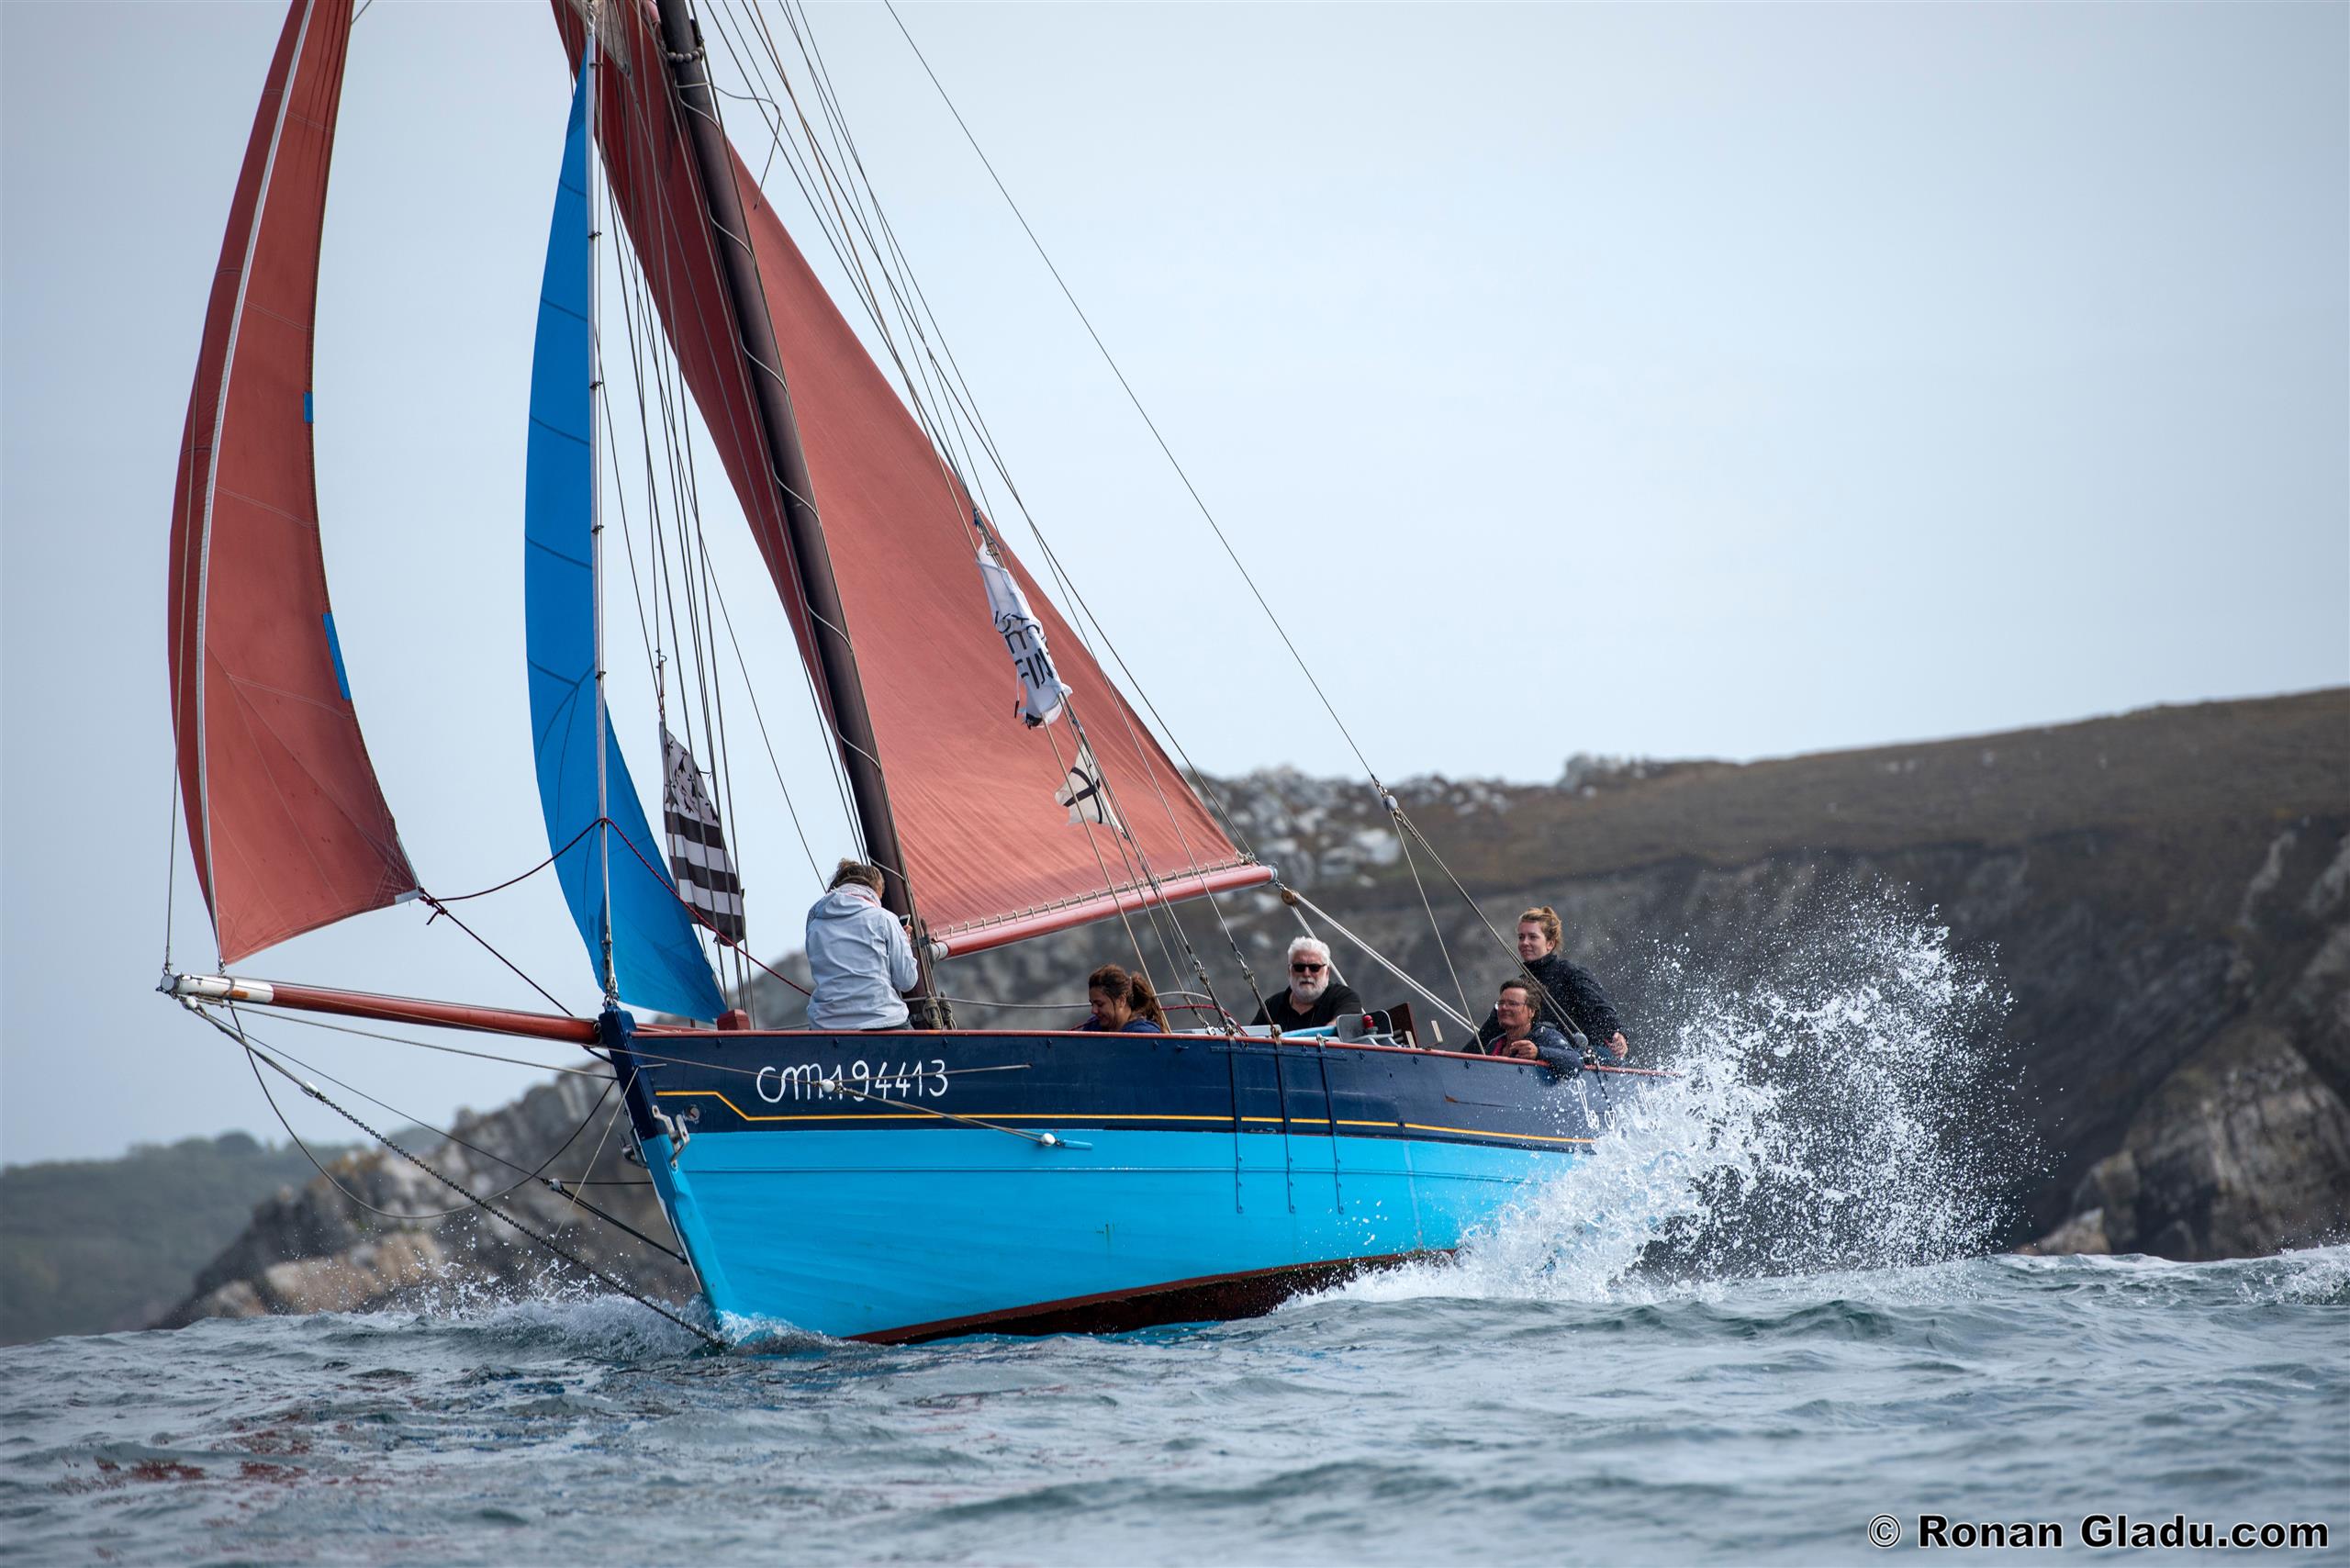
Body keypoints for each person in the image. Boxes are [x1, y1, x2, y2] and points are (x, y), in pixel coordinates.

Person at [1474, 905, 1629, 1060]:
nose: (1524, 943)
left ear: (1550, 944)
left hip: (1583, 1058)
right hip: (1542, 1060)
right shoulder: (1519, 988)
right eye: (1521, 937)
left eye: (1532, 937)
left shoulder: (1570, 973)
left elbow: (1600, 1009)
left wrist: (1618, 1033)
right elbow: (1487, 1034)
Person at [804, 859, 919, 1031]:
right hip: (884, 1022)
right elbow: (906, 981)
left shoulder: (815, 923)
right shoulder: (884, 918)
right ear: (875, 890)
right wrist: (905, 945)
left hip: (826, 1027)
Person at [1249, 936, 1364, 1032]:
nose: (1306, 973)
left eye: (1314, 968)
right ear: (1289, 971)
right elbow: (1248, 1042)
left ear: (1327, 972)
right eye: (1299, 967)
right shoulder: (1272, 1005)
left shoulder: (1345, 998)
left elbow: (1339, 1026)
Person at [1486, 979, 1578, 1074]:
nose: (1504, 1008)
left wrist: (1539, 1053)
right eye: (1501, 1003)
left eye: (1512, 1004)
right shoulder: (1494, 1044)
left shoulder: (1545, 1037)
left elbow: (1576, 1062)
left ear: (1531, 1011)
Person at [1080, 964, 1168, 1033]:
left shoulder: (1144, 1034)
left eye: (1100, 1004)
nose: (1094, 1011)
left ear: (1122, 1000)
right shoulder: (1092, 1026)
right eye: (1092, 1004)